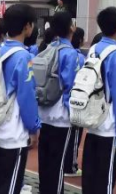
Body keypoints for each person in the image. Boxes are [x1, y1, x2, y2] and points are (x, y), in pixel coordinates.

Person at [0, 5, 40, 194]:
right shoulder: (23, 56)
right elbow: (27, 97)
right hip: (14, 131)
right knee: (11, 185)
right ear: (27, 26)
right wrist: (34, 127)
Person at [81, 7, 116, 194]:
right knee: (106, 177)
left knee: (91, 173)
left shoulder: (93, 49)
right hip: (109, 124)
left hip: (92, 118)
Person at [37, 12, 79, 194]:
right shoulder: (70, 53)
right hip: (61, 114)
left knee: (45, 160)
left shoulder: (47, 48)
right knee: (58, 163)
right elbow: (71, 85)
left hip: (44, 111)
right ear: (71, 28)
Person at [63, 27, 86, 179]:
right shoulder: (78, 57)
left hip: (57, 105)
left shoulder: (56, 51)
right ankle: (70, 166)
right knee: (74, 136)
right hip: (74, 102)